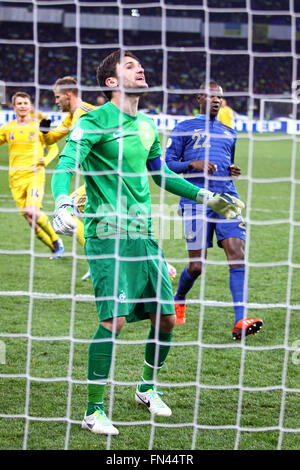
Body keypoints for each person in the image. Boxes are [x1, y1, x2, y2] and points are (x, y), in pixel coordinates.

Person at [51, 51, 244, 436]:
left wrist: (208, 197)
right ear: (111, 82)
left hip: (144, 235)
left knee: (167, 318)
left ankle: (145, 388)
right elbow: (66, 165)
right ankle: (93, 410)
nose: (139, 69)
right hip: (107, 233)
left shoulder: (148, 126)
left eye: (139, 65)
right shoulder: (93, 122)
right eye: (129, 65)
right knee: (114, 320)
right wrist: (61, 201)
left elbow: (162, 175)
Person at [165, 80, 263, 340]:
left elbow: (226, 163)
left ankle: (241, 320)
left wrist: (232, 170)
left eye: (219, 97)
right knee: (197, 266)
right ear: (199, 98)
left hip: (226, 197)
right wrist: (192, 163)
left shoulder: (229, 132)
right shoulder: (183, 127)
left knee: (236, 253)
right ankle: (180, 297)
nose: (216, 100)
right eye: (211, 96)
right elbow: (167, 165)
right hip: (194, 199)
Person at [39, 76, 97, 279]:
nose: (56, 101)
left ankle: (97, 261)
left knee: (70, 212)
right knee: (93, 221)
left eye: (57, 97)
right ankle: (98, 260)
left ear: (68, 94)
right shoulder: (73, 116)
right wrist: (44, 131)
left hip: (106, 179)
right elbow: (53, 138)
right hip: (97, 180)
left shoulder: (84, 114)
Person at [0, 91, 63, 257]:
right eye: (19, 103)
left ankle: (57, 240)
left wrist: (46, 160)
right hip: (15, 179)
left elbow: (54, 148)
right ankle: (54, 249)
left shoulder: (39, 126)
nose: (22, 106)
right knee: (31, 221)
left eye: (25, 103)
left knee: (32, 211)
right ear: (14, 107)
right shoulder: (7, 128)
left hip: (34, 174)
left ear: (30, 106)